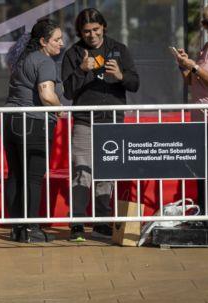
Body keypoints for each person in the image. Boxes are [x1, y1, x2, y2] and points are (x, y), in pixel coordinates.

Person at [62, 8, 140, 241]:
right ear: (80, 32)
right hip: (85, 121)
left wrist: (120, 76)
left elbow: (135, 83)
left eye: (96, 29)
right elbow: (67, 91)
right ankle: (77, 221)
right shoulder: (73, 53)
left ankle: (102, 221)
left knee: (107, 172)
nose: (92, 35)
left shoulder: (119, 49)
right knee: (81, 172)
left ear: (103, 27)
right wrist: (82, 70)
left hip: (113, 120)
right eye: (86, 31)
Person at [3, 19, 64, 243]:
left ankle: (17, 228)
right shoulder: (44, 61)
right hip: (32, 123)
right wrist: (60, 110)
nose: (61, 43)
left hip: (9, 121)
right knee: (33, 178)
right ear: (43, 41)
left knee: (16, 176)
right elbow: (47, 94)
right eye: (57, 39)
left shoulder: (21, 59)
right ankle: (31, 229)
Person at [172, 1, 208, 222]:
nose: (205, 26)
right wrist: (184, 64)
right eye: (203, 22)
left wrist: (195, 67)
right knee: (202, 165)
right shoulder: (206, 47)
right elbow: (194, 82)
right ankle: (204, 208)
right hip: (201, 117)